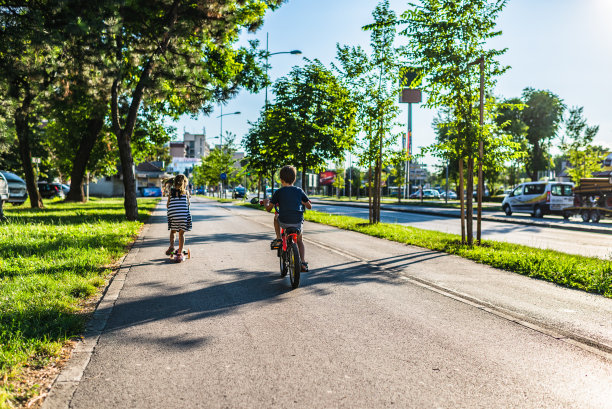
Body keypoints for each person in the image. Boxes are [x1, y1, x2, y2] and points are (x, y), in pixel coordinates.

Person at [262, 165, 312, 272]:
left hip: (284, 221)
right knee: (300, 241)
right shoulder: (299, 191)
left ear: (281, 180)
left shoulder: (278, 192)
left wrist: (266, 203)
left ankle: (279, 238)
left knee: (276, 217)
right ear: (294, 179)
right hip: (297, 222)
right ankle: (303, 262)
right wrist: (303, 201)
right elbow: (309, 206)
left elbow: (269, 209)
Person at [166, 174, 192, 260]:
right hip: (183, 216)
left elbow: (167, 205)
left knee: (173, 231)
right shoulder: (186, 193)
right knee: (181, 234)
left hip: (173, 216)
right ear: (185, 183)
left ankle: (172, 246)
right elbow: (188, 205)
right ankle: (180, 253)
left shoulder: (171, 193)